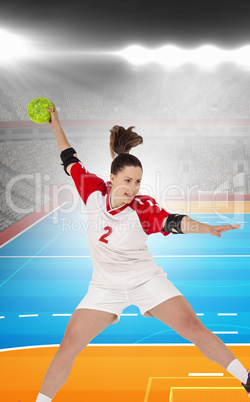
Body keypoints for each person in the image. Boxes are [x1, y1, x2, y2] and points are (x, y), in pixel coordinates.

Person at [36, 103, 250, 402]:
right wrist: (55, 124)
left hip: (145, 280)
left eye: (137, 182)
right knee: (69, 344)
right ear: (111, 179)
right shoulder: (92, 190)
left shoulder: (142, 207)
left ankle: (247, 380)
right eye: (127, 181)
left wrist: (206, 227)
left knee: (193, 327)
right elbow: (69, 158)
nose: (133, 188)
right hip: (104, 287)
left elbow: (174, 222)